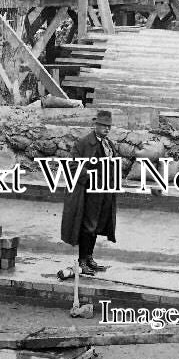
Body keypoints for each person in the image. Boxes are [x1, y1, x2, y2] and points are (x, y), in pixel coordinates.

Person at [59, 110, 118, 276]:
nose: (106, 129)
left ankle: (90, 257)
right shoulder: (83, 143)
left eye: (109, 126)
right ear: (96, 125)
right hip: (88, 193)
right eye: (103, 126)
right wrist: (89, 176)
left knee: (97, 225)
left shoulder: (108, 144)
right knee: (88, 226)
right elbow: (71, 165)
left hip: (104, 192)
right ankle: (82, 261)